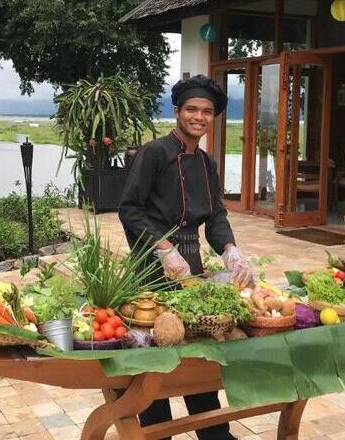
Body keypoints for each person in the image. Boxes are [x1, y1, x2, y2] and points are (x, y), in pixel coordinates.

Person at [118, 74, 253, 440]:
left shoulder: (207, 163)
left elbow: (216, 216)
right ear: (177, 111)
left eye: (207, 111)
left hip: (190, 267)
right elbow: (130, 209)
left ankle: (213, 433)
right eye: (191, 109)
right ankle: (157, 432)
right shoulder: (154, 153)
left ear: (214, 117)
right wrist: (163, 248)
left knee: (197, 352)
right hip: (152, 266)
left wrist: (230, 249)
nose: (199, 116)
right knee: (155, 357)